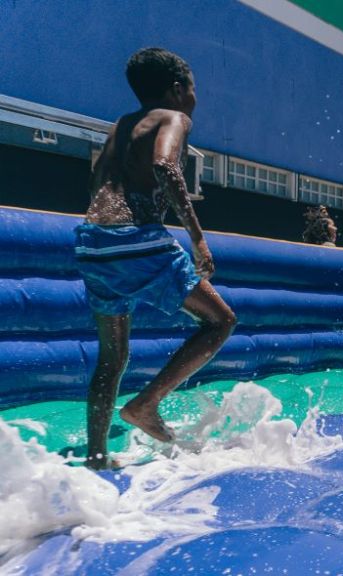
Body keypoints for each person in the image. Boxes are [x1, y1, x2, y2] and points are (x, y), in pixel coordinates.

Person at [75, 48, 236, 469]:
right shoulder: (174, 117)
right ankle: (146, 404)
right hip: (137, 239)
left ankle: (96, 456)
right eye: (194, 89)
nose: (195, 99)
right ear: (178, 89)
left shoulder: (122, 126)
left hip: (93, 243)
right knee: (220, 321)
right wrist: (197, 239)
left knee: (112, 357)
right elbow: (166, 166)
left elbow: (98, 182)